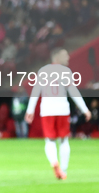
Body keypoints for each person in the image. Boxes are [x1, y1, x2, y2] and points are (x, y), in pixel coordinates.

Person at [25, 48, 91, 180]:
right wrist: (84, 109)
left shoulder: (43, 71)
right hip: (62, 108)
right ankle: (64, 170)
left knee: (49, 140)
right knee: (64, 140)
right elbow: (73, 92)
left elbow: (36, 91)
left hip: (47, 109)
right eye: (65, 55)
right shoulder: (65, 71)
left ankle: (55, 163)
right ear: (56, 57)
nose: (68, 58)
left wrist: (30, 110)